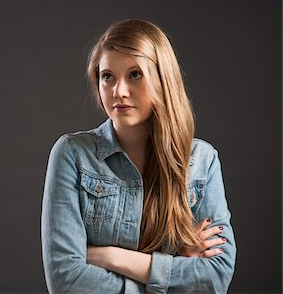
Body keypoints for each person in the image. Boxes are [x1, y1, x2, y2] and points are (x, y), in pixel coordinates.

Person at [41, 19, 236, 293]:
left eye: (135, 74)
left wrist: (109, 257)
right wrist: (173, 271)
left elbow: (216, 277)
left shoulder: (202, 160)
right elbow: (66, 281)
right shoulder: (73, 155)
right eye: (107, 76)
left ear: (162, 79)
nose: (119, 91)